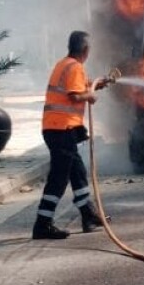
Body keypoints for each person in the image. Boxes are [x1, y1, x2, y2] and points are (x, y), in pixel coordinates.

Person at [32, 30, 109, 240]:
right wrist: (90, 95)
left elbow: (76, 87)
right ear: (85, 50)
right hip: (61, 129)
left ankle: (88, 215)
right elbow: (74, 95)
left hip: (57, 129)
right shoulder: (74, 67)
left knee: (77, 172)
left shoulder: (64, 64)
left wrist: (96, 84)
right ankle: (42, 224)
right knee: (59, 178)